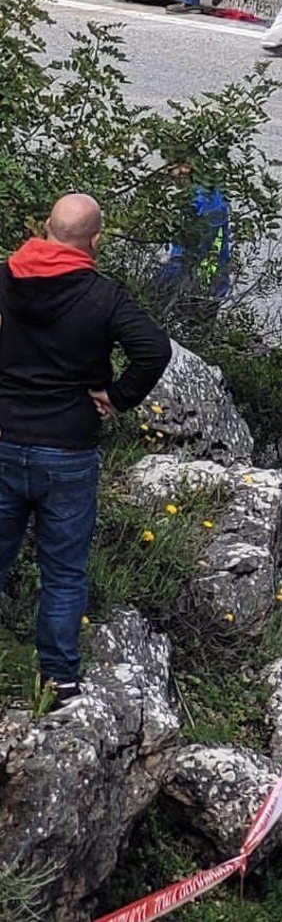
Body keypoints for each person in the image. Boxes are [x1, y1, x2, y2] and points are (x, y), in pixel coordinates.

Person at [0, 194, 171, 701]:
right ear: (95, 239)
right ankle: (59, 678)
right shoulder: (103, 296)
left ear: (44, 226)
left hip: (4, 440)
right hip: (69, 451)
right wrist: (117, 398)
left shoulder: (5, 279)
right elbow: (153, 349)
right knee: (64, 571)